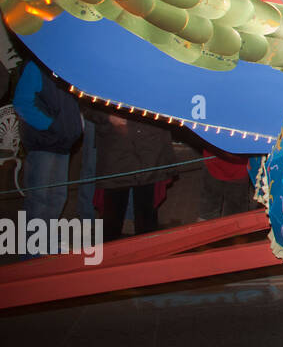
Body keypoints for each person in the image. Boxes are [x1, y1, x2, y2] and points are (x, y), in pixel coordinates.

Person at [85, 104, 177, 241]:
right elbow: (87, 103)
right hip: (116, 150)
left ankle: (145, 259)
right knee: (111, 221)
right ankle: (110, 258)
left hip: (150, 149)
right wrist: (108, 117)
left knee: (147, 223)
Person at [13, 59, 82, 224]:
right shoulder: (36, 66)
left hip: (62, 142)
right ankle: (32, 247)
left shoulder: (66, 67)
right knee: (38, 199)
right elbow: (22, 102)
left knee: (57, 197)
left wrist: (74, 127)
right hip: (43, 142)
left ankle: (47, 244)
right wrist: (50, 126)